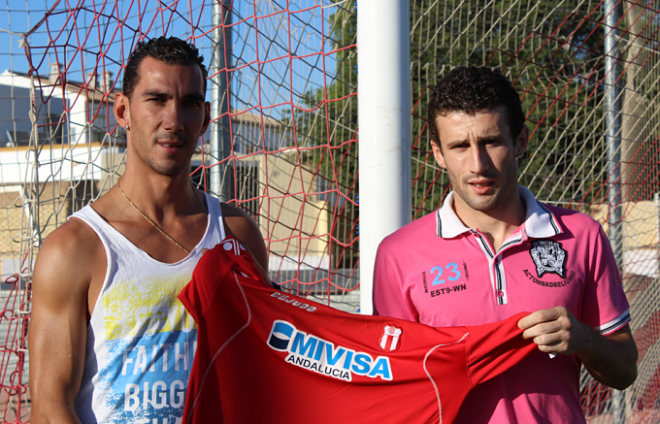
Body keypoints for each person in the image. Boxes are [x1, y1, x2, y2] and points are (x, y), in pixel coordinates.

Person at [372, 66, 638, 423]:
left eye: (491, 142)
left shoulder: (582, 235)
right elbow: (393, 390)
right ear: (437, 152)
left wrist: (584, 340)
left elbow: (624, 372)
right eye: (460, 146)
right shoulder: (398, 254)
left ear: (521, 141)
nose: (478, 165)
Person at [28, 36, 268, 424]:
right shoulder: (75, 248)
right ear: (122, 110)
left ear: (205, 118)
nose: (173, 120)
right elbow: (51, 407)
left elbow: (257, 371)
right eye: (156, 99)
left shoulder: (238, 234)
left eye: (189, 103)